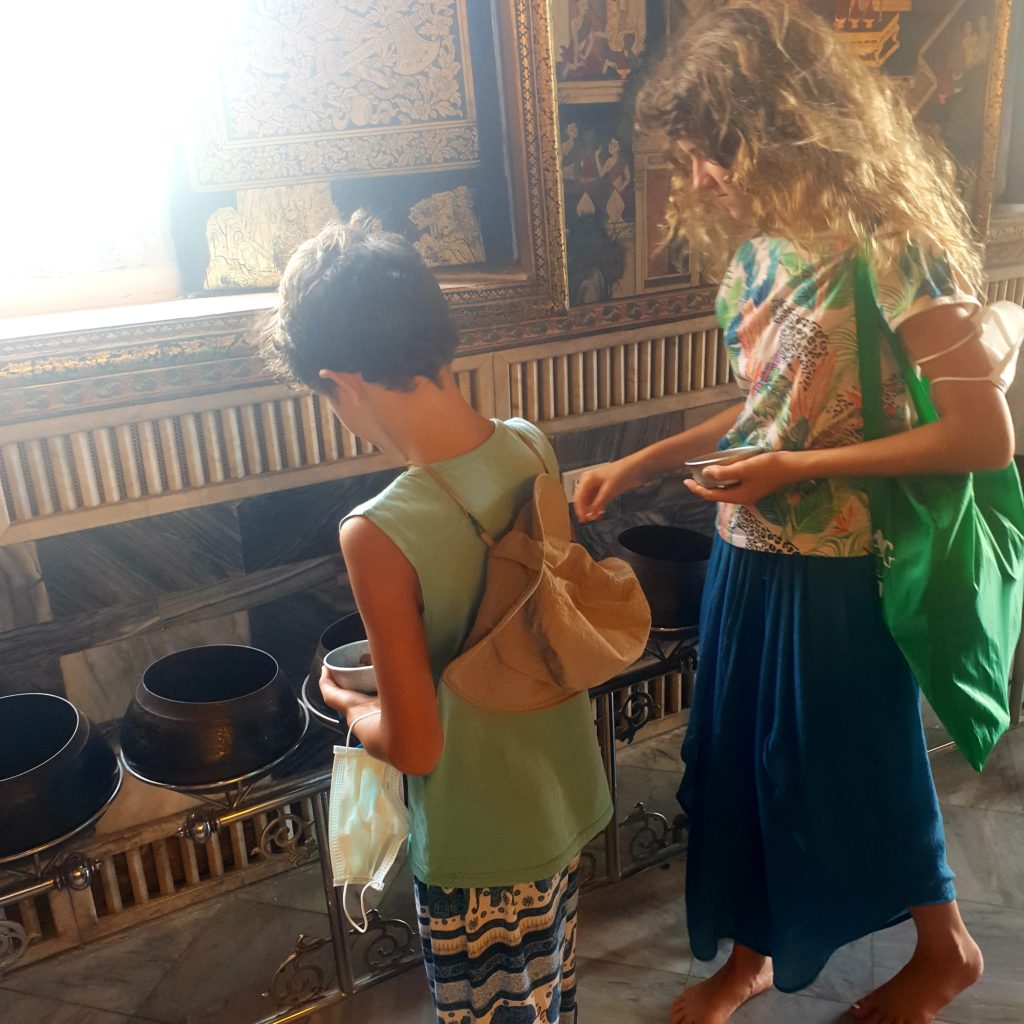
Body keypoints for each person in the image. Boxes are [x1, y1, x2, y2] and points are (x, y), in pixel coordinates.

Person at [575, 4, 1012, 1023]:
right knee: (738, 761)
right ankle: (750, 959)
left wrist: (792, 466)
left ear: (781, 129)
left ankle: (946, 950)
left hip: (844, 569)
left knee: (860, 762)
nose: (696, 182)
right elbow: (771, 408)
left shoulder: (896, 252)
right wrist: (642, 459)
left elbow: (981, 437)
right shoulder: (758, 256)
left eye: (710, 154)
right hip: (748, 554)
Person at [261, 215, 612, 1024]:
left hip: (477, 843)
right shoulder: (529, 445)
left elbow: (417, 746)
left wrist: (349, 705)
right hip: (558, 798)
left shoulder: (377, 532)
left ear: (341, 383)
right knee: (549, 993)